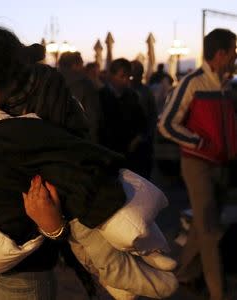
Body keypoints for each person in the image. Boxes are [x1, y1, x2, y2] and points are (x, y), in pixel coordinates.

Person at [0, 69, 178, 299]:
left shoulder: (21, 130)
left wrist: (53, 227)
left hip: (19, 279)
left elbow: (60, 205)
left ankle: (133, 264)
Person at [158, 28, 236, 300]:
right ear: (221, 53)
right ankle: (219, 293)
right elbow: (166, 123)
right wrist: (198, 142)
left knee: (203, 228)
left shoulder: (225, 86)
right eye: (234, 50)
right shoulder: (193, 82)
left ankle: (183, 275)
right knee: (211, 232)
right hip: (198, 164)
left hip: (222, 165)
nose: (236, 56)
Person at [98, 58, 152, 178]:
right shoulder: (100, 97)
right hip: (108, 151)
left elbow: (142, 122)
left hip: (130, 152)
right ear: (111, 76)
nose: (126, 81)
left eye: (128, 77)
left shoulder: (132, 96)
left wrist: (137, 138)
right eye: (122, 77)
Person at [58, 52, 101, 142]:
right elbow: (91, 115)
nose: (83, 68)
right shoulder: (85, 84)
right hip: (79, 138)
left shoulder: (51, 81)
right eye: (81, 64)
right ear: (75, 65)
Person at [130, 60, 158, 178]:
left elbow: (152, 115)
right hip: (137, 138)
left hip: (143, 139)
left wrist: (145, 135)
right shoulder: (146, 91)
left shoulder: (145, 92)